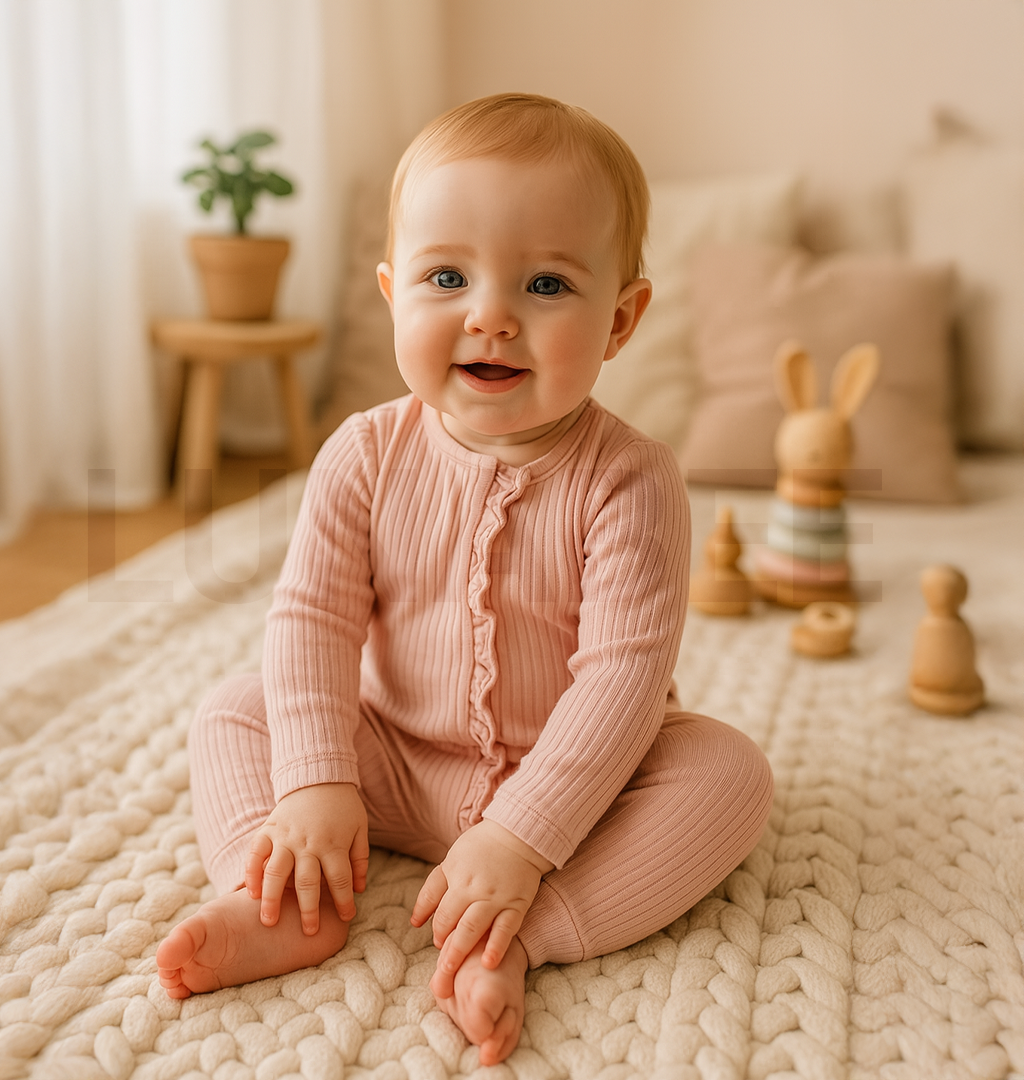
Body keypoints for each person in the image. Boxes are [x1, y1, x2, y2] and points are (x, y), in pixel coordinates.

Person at [156, 92, 774, 1066]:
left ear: (621, 320)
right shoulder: (363, 453)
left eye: (546, 286)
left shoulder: (633, 479)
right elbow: (314, 617)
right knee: (238, 709)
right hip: (397, 761)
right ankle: (279, 893)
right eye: (448, 277)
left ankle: (514, 933)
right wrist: (318, 781)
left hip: (581, 783)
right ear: (393, 291)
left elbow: (622, 677)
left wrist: (521, 840)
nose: (490, 315)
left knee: (728, 775)